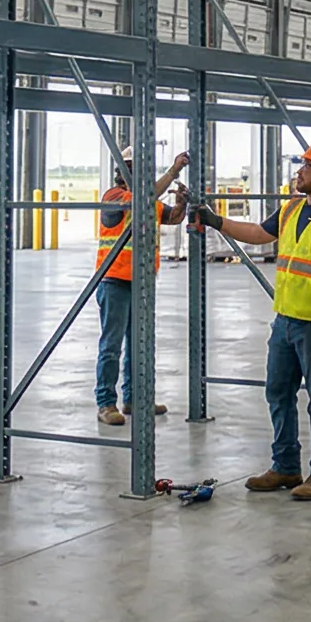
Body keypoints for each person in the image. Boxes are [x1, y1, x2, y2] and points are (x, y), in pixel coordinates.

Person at [190, 139, 311, 501]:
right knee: (278, 393)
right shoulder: (291, 210)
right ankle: (286, 465)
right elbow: (258, 234)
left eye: (308, 166)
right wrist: (215, 221)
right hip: (286, 320)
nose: (300, 171)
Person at [94, 149, 192, 426]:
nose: (146, 173)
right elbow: (142, 201)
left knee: (140, 344)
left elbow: (172, 217)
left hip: (143, 283)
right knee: (111, 346)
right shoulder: (114, 197)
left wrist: (181, 204)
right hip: (115, 280)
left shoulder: (149, 200)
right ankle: (105, 403)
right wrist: (173, 171)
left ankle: (135, 399)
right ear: (125, 170)